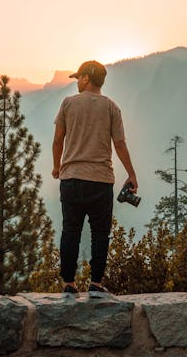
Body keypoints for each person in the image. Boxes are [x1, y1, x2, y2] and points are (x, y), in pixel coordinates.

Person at [52, 60, 138, 295]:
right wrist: (131, 173)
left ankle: (69, 283)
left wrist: (56, 167)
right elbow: (119, 144)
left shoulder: (68, 104)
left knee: (71, 230)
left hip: (71, 180)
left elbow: (58, 140)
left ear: (86, 79)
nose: (77, 82)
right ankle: (96, 284)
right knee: (100, 234)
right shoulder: (112, 108)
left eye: (78, 77)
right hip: (101, 181)